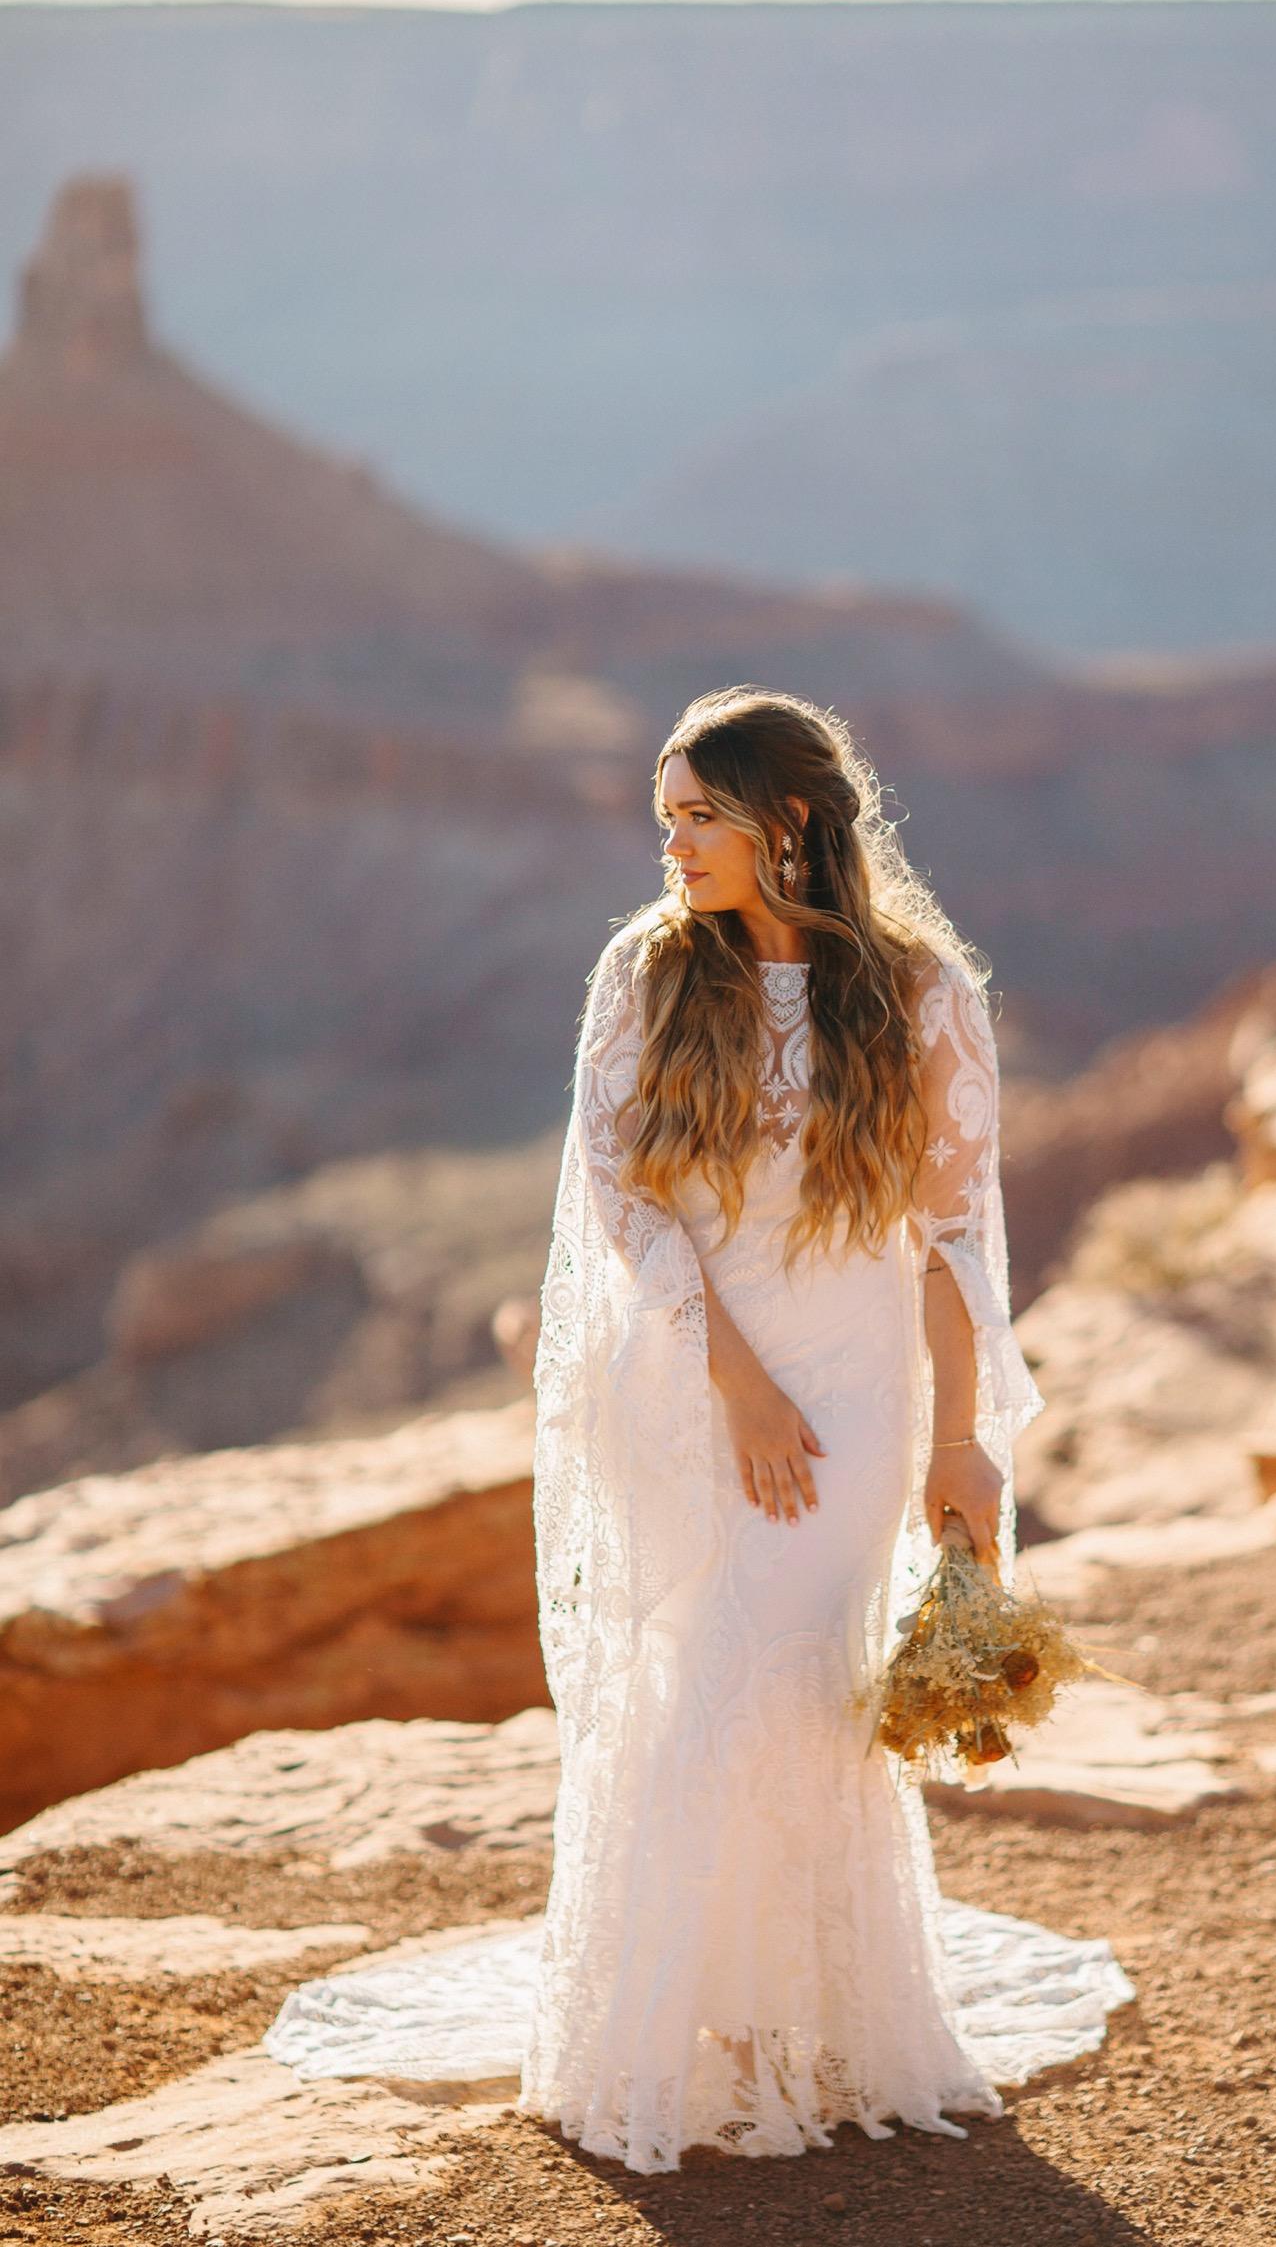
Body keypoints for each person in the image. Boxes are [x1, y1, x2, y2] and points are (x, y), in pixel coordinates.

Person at [263, 687, 1134, 2170]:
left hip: (859, 1397)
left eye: (696, 816)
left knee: (788, 1684)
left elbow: (951, 1242)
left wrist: (960, 1442)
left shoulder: (925, 994)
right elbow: (619, 1195)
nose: (668, 843)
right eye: (664, 814)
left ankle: (820, 2014)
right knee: (690, 1685)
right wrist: (730, 1377)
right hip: (686, 1379)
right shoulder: (646, 972)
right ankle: (657, 2030)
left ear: (786, 820)